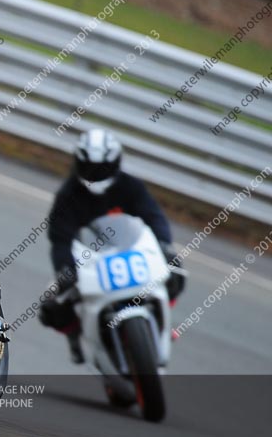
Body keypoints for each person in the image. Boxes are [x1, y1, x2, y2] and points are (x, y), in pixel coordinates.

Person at [39, 129, 186, 363]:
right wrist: (66, 269)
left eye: (102, 168)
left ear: (115, 163)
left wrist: (165, 245)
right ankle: (76, 338)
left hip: (131, 253)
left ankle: (162, 320)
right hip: (90, 263)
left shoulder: (131, 187)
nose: (96, 174)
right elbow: (60, 239)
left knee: (176, 270)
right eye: (89, 167)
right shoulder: (68, 196)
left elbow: (155, 218)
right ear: (79, 163)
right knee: (51, 304)